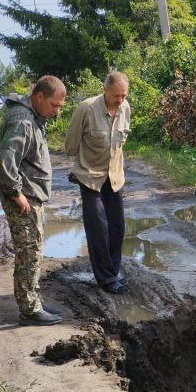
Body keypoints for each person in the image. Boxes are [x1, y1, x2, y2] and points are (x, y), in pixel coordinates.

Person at [0, 75, 67, 326]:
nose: (57, 111)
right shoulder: (22, 121)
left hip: (30, 195)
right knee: (29, 253)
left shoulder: (32, 116)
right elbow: (5, 164)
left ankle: (33, 301)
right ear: (39, 97)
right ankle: (29, 311)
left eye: (60, 107)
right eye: (54, 105)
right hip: (23, 199)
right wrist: (17, 194)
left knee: (33, 250)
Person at [64, 70, 130, 294]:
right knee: (99, 229)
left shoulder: (125, 108)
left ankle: (114, 271)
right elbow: (71, 144)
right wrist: (79, 168)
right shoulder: (86, 108)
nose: (120, 100)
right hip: (90, 177)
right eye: (116, 95)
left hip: (114, 177)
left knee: (117, 227)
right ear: (105, 90)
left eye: (124, 95)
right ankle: (106, 278)